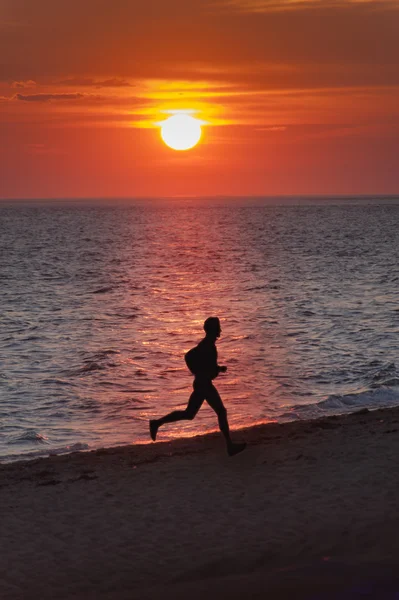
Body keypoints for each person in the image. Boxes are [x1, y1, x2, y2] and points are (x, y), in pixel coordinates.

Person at [149, 317, 246, 456]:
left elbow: (200, 362)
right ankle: (229, 446)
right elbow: (190, 358)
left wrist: (215, 369)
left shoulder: (207, 344)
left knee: (189, 414)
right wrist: (202, 372)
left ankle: (157, 423)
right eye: (218, 328)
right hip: (204, 384)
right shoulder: (208, 346)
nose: (220, 330)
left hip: (202, 383)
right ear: (213, 330)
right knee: (221, 411)